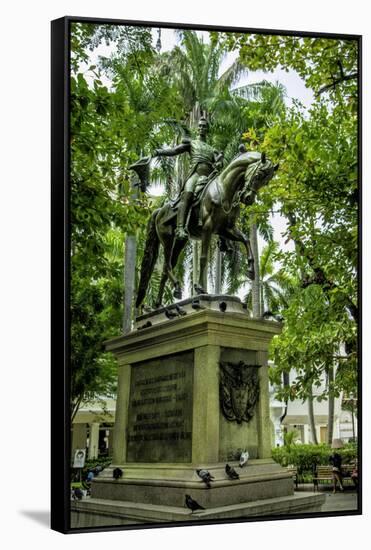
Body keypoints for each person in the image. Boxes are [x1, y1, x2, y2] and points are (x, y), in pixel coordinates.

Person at [154, 116, 223, 240]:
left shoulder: (213, 150)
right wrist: (159, 152)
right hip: (195, 175)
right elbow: (174, 151)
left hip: (209, 178)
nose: (202, 128)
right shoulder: (191, 143)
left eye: (204, 126)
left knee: (222, 197)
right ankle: (180, 227)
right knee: (188, 193)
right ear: (197, 129)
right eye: (200, 126)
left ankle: (222, 234)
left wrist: (219, 163)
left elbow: (219, 165)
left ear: (207, 130)